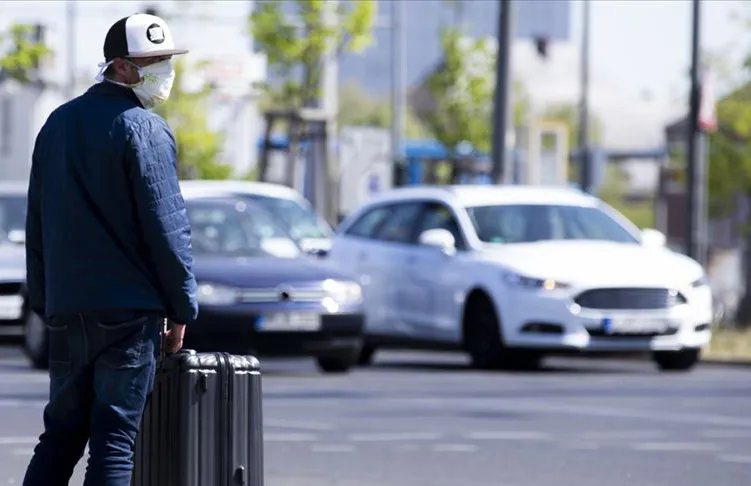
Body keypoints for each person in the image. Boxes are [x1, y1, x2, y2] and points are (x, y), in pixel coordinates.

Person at [22, 13, 198, 486]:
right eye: (153, 61)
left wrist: (45, 303)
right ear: (119, 66)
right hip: (127, 313)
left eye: (165, 59)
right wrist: (181, 307)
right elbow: (167, 228)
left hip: (68, 308)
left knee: (59, 437)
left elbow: (36, 223)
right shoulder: (144, 129)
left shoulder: (56, 124)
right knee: (115, 441)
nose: (164, 70)